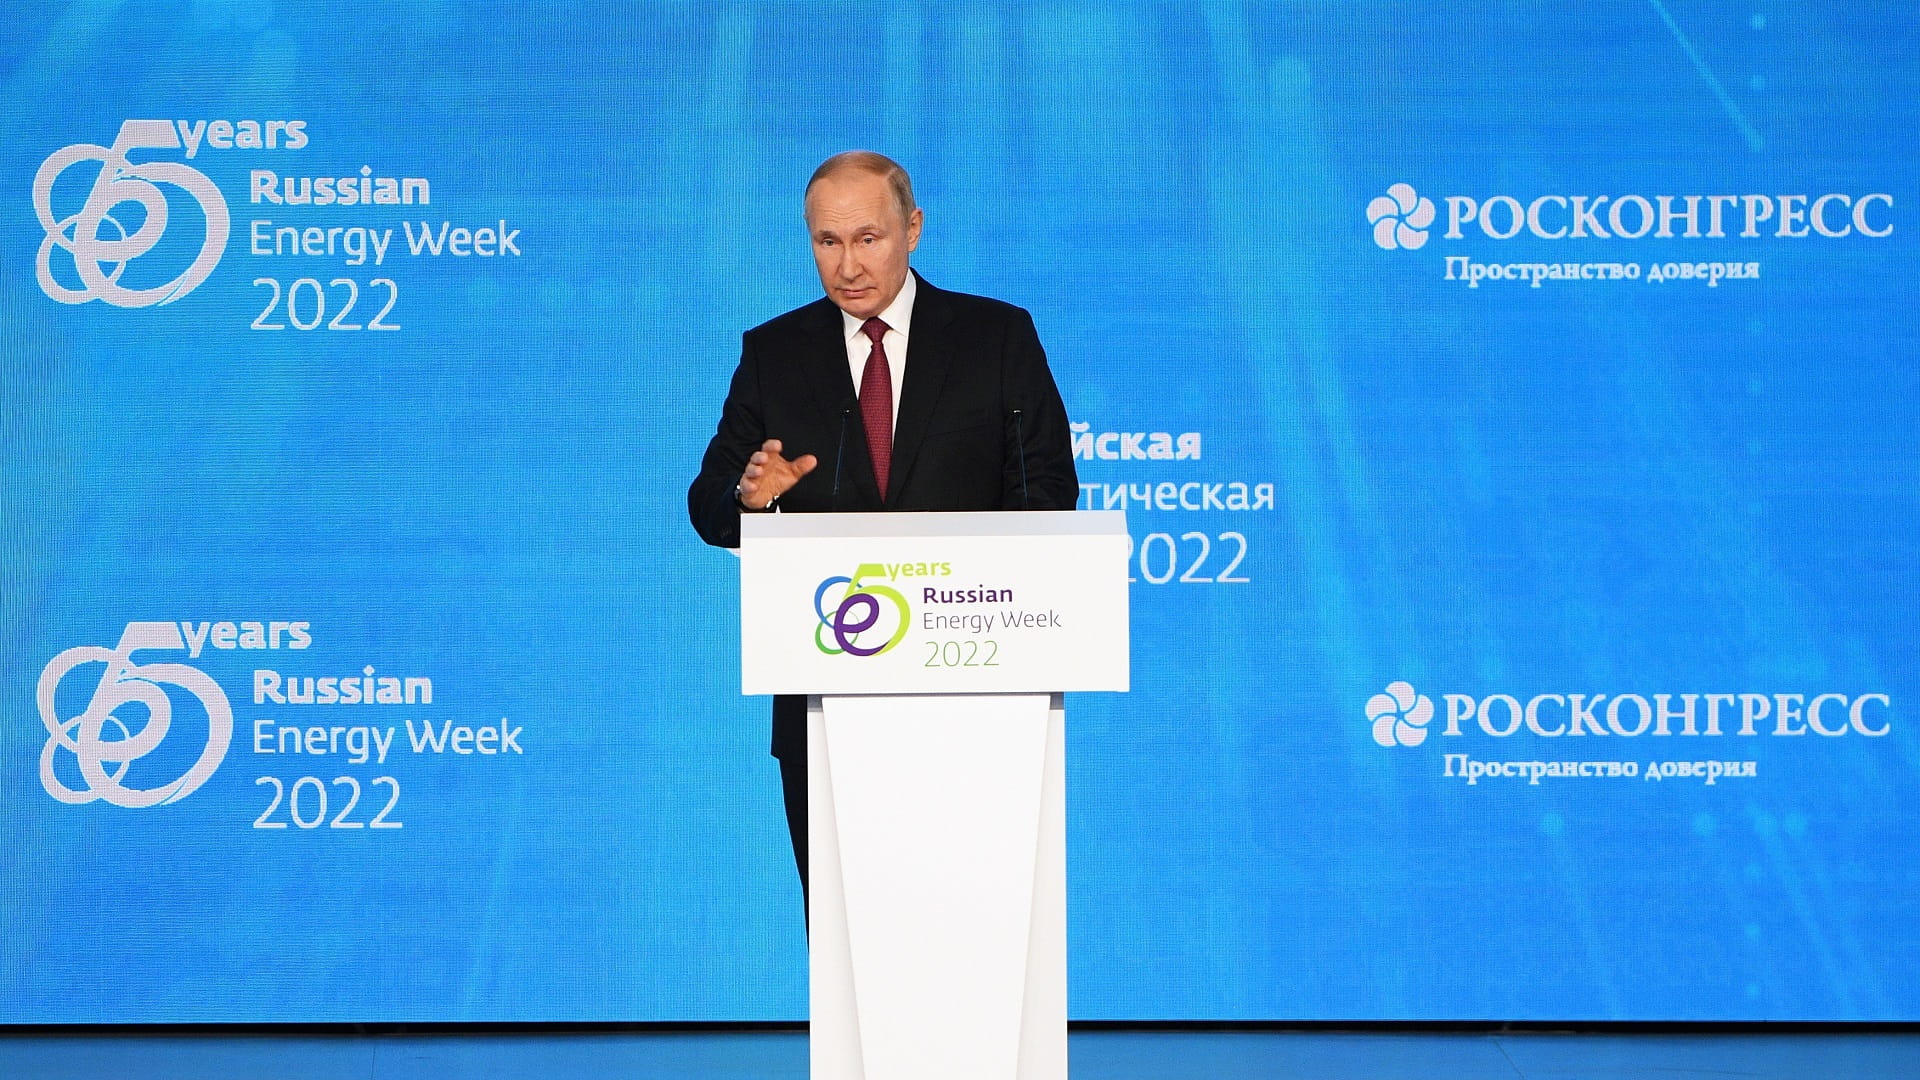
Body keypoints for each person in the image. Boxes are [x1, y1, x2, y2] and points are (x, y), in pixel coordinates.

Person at [688, 150, 1078, 913]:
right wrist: (751, 499)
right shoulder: (775, 354)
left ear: (913, 229)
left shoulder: (996, 337)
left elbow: (1049, 492)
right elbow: (710, 505)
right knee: (847, 936)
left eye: (868, 238)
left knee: (971, 928)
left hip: (975, 699)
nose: (847, 265)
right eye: (827, 242)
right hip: (826, 707)